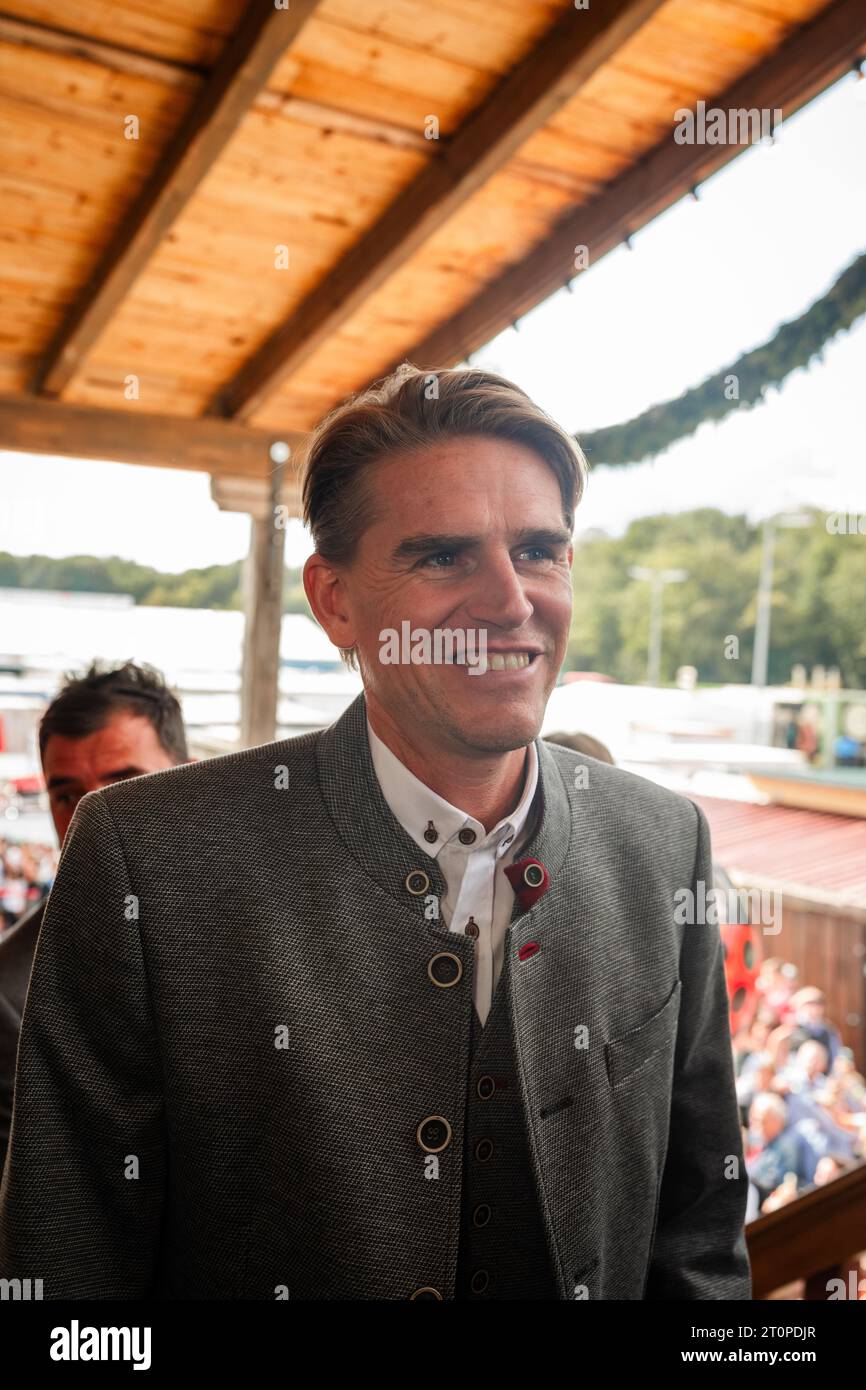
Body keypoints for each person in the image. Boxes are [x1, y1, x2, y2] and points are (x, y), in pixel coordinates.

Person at [0, 364, 751, 1300]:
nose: (511, 601)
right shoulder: (144, 856)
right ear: (334, 601)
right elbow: (70, 1273)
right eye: (443, 556)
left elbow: (700, 1243)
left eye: (539, 551)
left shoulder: (663, 841)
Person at [0, 661, 190, 1174]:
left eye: (124, 787)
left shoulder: (272, 920)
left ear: (191, 779)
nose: (94, 817)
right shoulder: (14, 990)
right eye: (67, 796)